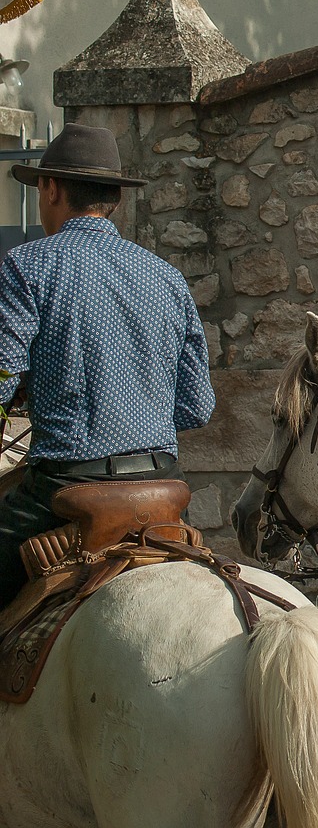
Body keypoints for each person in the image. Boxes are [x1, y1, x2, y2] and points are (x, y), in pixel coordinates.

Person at [0, 123, 214, 607]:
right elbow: (197, 406)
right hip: (161, 490)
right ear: (113, 199)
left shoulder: (27, 266)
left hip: (65, 490)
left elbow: (0, 378)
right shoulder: (167, 277)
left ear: (51, 188)